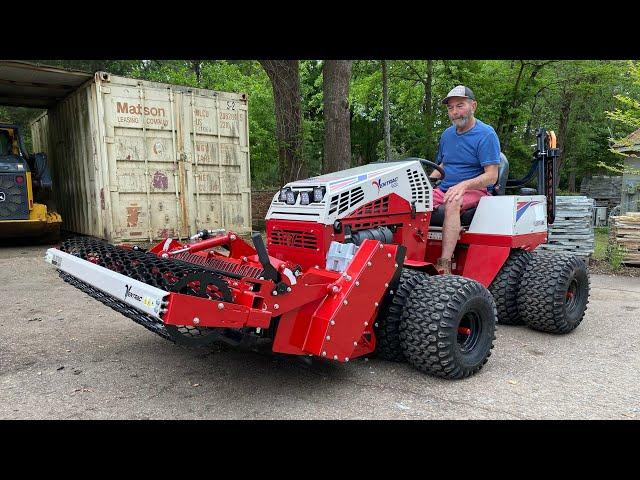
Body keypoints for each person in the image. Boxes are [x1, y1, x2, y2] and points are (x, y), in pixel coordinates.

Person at [429, 85, 501, 274]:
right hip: (444, 188)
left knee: (453, 201)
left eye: (459, 106)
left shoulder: (486, 134)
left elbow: (492, 175)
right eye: (450, 108)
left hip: (475, 191)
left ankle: (444, 264)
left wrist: (464, 185)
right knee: (412, 201)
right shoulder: (446, 135)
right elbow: (444, 165)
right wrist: (424, 183)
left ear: (473, 106)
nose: (454, 112)